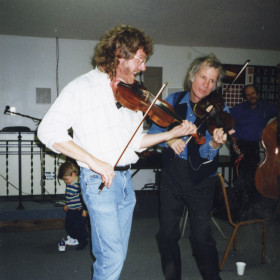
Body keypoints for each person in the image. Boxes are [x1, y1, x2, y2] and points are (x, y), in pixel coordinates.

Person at [37, 24, 197, 280]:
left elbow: (135, 142)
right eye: (140, 60)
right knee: (112, 258)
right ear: (119, 55)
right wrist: (95, 162)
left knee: (114, 256)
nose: (144, 67)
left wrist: (170, 135)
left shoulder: (132, 95)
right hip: (98, 182)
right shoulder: (82, 87)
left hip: (124, 184)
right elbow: (47, 131)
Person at [148, 54, 231, 280]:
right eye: (203, 77)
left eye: (212, 80)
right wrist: (169, 139)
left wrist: (214, 144)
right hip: (173, 176)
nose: (206, 84)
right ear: (193, 76)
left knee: (202, 237)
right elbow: (153, 134)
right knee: (166, 234)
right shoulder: (173, 101)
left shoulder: (219, 111)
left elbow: (205, 154)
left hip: (202, 180)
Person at [229, 84, 277, 219]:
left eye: (253, 93)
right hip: (239, 147)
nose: (251, 96)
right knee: (239, 178)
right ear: (245, 97)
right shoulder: (239, 109)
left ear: (257, 93)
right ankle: (238, 211)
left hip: (254, 147)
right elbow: (226, 120)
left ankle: (249, 209)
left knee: (253, 177)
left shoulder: (266, 108)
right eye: (248, 95)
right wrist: (231, 138)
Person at [58, 160, 88, 251]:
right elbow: (69, 196)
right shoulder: (70, 184)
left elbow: (84, 198)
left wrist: (84, 209)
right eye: (64, 179)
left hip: (79, 210)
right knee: (68, 225)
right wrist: (67, 204)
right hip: (71, 209)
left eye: (66, 179)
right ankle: (74, 237)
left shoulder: (79, 184)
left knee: (78, 227)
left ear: (74, 174)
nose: (65, 181)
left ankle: (82, 241)